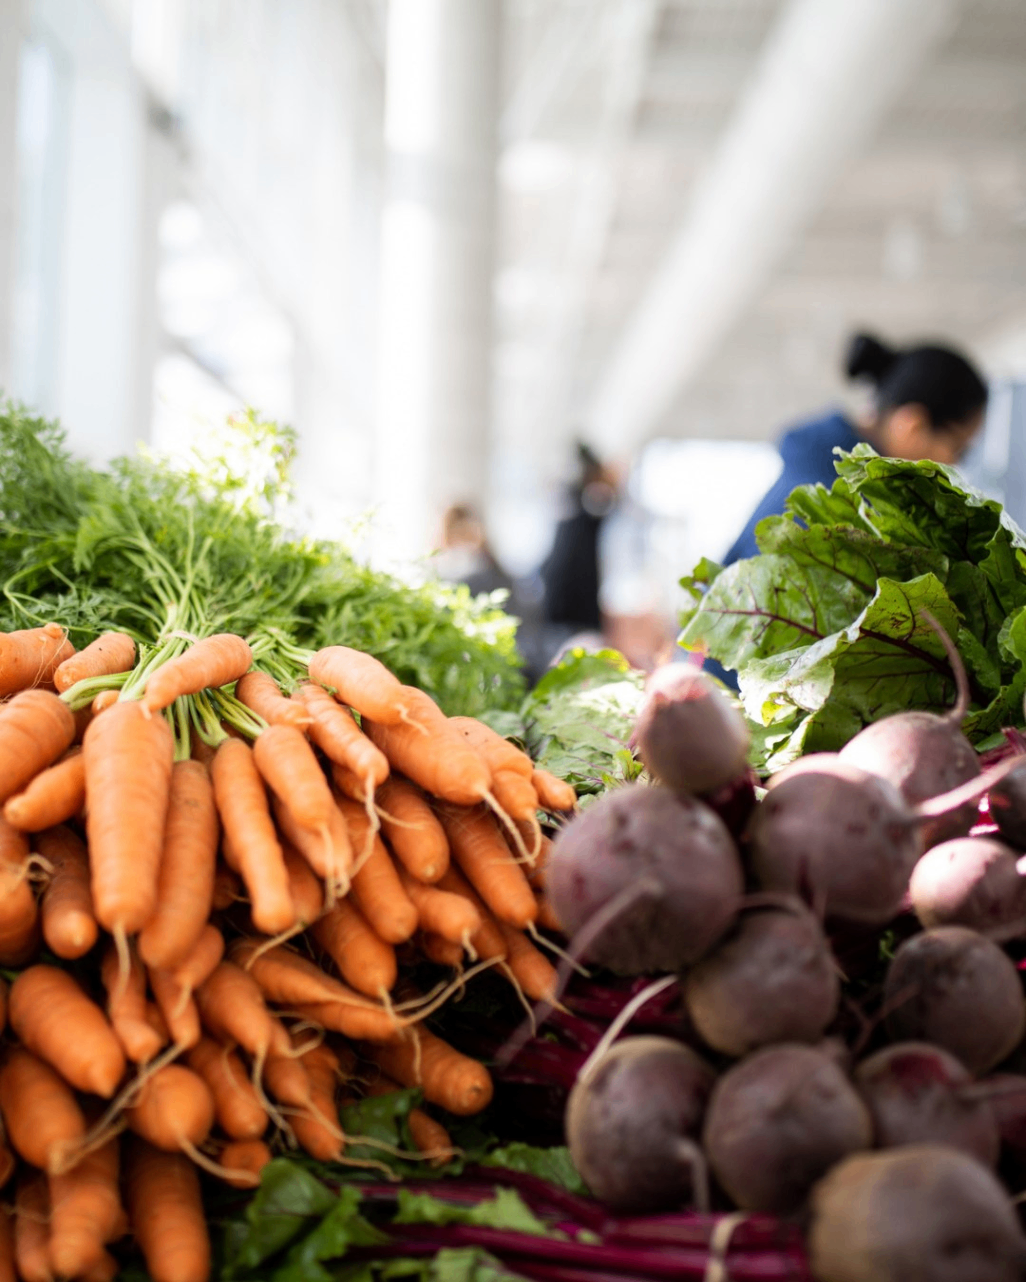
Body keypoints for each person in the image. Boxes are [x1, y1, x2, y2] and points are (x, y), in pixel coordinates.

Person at [723, 331, 989, 566]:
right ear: (912, 426)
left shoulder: (820, 478)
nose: (954, 465)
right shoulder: (843, 511)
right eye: (959, 448)